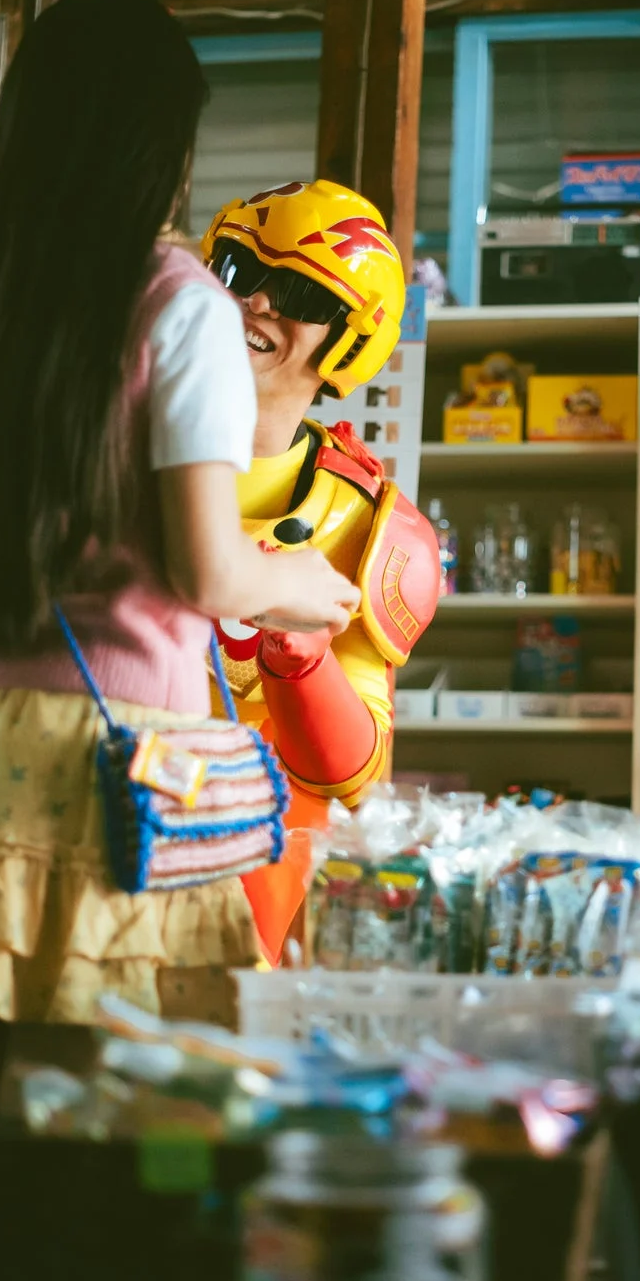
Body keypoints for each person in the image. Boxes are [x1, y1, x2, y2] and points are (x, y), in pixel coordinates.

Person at [0, 0, 358, 1130]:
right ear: (165, 149)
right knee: (103, 1118)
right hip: (107, 767)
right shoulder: (175, 305)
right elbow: (205, 571)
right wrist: (302, 586)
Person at [198, 180, 442, 957]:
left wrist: (301, 664)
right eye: (239, 271)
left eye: (299, 291)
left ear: (347, 338)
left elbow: (357, 774)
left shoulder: (370, 527)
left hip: (256, 880)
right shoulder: (105, 454)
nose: (257, 303)